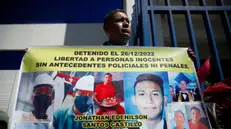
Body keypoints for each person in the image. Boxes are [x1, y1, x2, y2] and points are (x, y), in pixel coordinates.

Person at [102, 9, 197, 61]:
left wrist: (185, 62)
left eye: (127, 21)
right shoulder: (94, 58)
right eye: (120, 20)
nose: (126, 24)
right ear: (107, 29)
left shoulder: (139, 58)